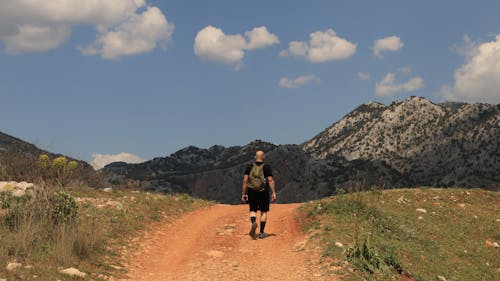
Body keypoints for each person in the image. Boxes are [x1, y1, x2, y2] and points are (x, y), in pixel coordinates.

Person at [241, 150, 277, 239]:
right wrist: (273, 192)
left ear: (255, 157)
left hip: (252, 191)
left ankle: (253, 222)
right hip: (263, 192)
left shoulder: (249, 167)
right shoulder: (267, 167)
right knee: (263, 211)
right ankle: (261, 232)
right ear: (263, 157)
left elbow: (245, 181)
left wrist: (244, 193)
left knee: (252, 210)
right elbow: (270, 180)